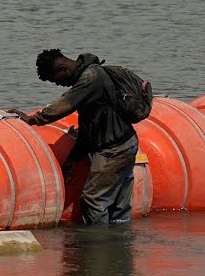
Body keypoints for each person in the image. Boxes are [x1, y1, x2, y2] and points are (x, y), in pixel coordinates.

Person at [8, 49, 139, 226]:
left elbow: (66, 104)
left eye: (56, 80)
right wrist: (74, 157)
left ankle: (97, 248)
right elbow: (89, 128)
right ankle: (118, 246)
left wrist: (33, 119)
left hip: (113, 150)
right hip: (126, 143)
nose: (58, 85)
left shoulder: (90, 78)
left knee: (93, 201)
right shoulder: (93, 76)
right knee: (119, 207)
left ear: (63, 69)